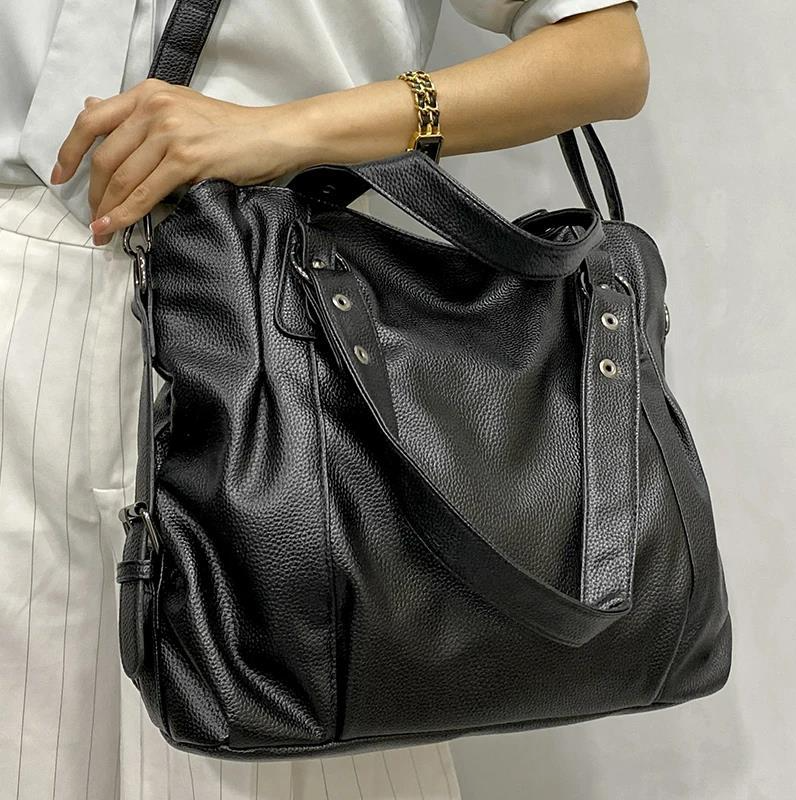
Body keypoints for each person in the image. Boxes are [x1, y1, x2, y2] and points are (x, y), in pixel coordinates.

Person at [0, 1, 648, 797]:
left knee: (279, 742)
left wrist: (288, 130)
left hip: (286, 316)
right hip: (21, 322)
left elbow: (607, 56)